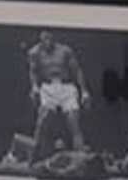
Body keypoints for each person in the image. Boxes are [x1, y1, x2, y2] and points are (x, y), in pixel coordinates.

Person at [25, 28, 88, 156]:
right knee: (43, 119)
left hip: (66, 86)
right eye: (44, 38)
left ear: (54, 37)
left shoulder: (65, 50)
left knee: (73, 121)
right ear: (40, 38)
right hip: (48, 87)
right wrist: (34, 87)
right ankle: (34, 155)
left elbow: (77, 70)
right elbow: (33, 71)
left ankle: (81, 155)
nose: (47, 41)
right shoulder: (34, 52)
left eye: (49, 37)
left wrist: (84, 91)